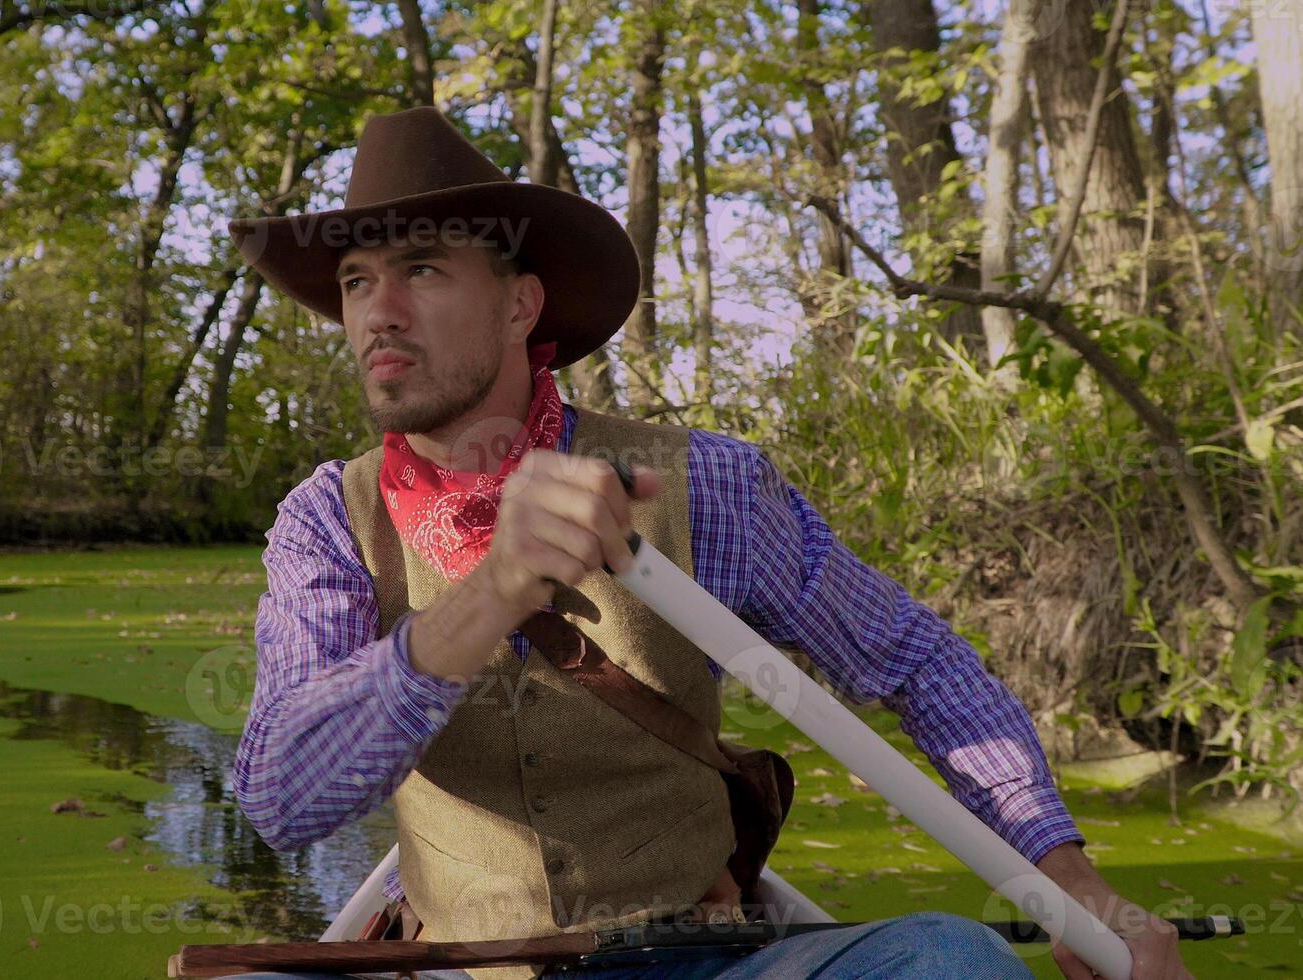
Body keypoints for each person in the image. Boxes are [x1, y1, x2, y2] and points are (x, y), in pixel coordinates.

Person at [221, 106, 1189, 980]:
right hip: (454, 966)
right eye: (356, 281)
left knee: (949, 958)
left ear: (519, 305)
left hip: (688, 957)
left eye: (420, 269)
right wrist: (493, 588)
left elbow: (916, 664)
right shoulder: (325, 520)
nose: (377, 311)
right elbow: (280, 797)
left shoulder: (704, 486)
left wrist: (1067, 882)